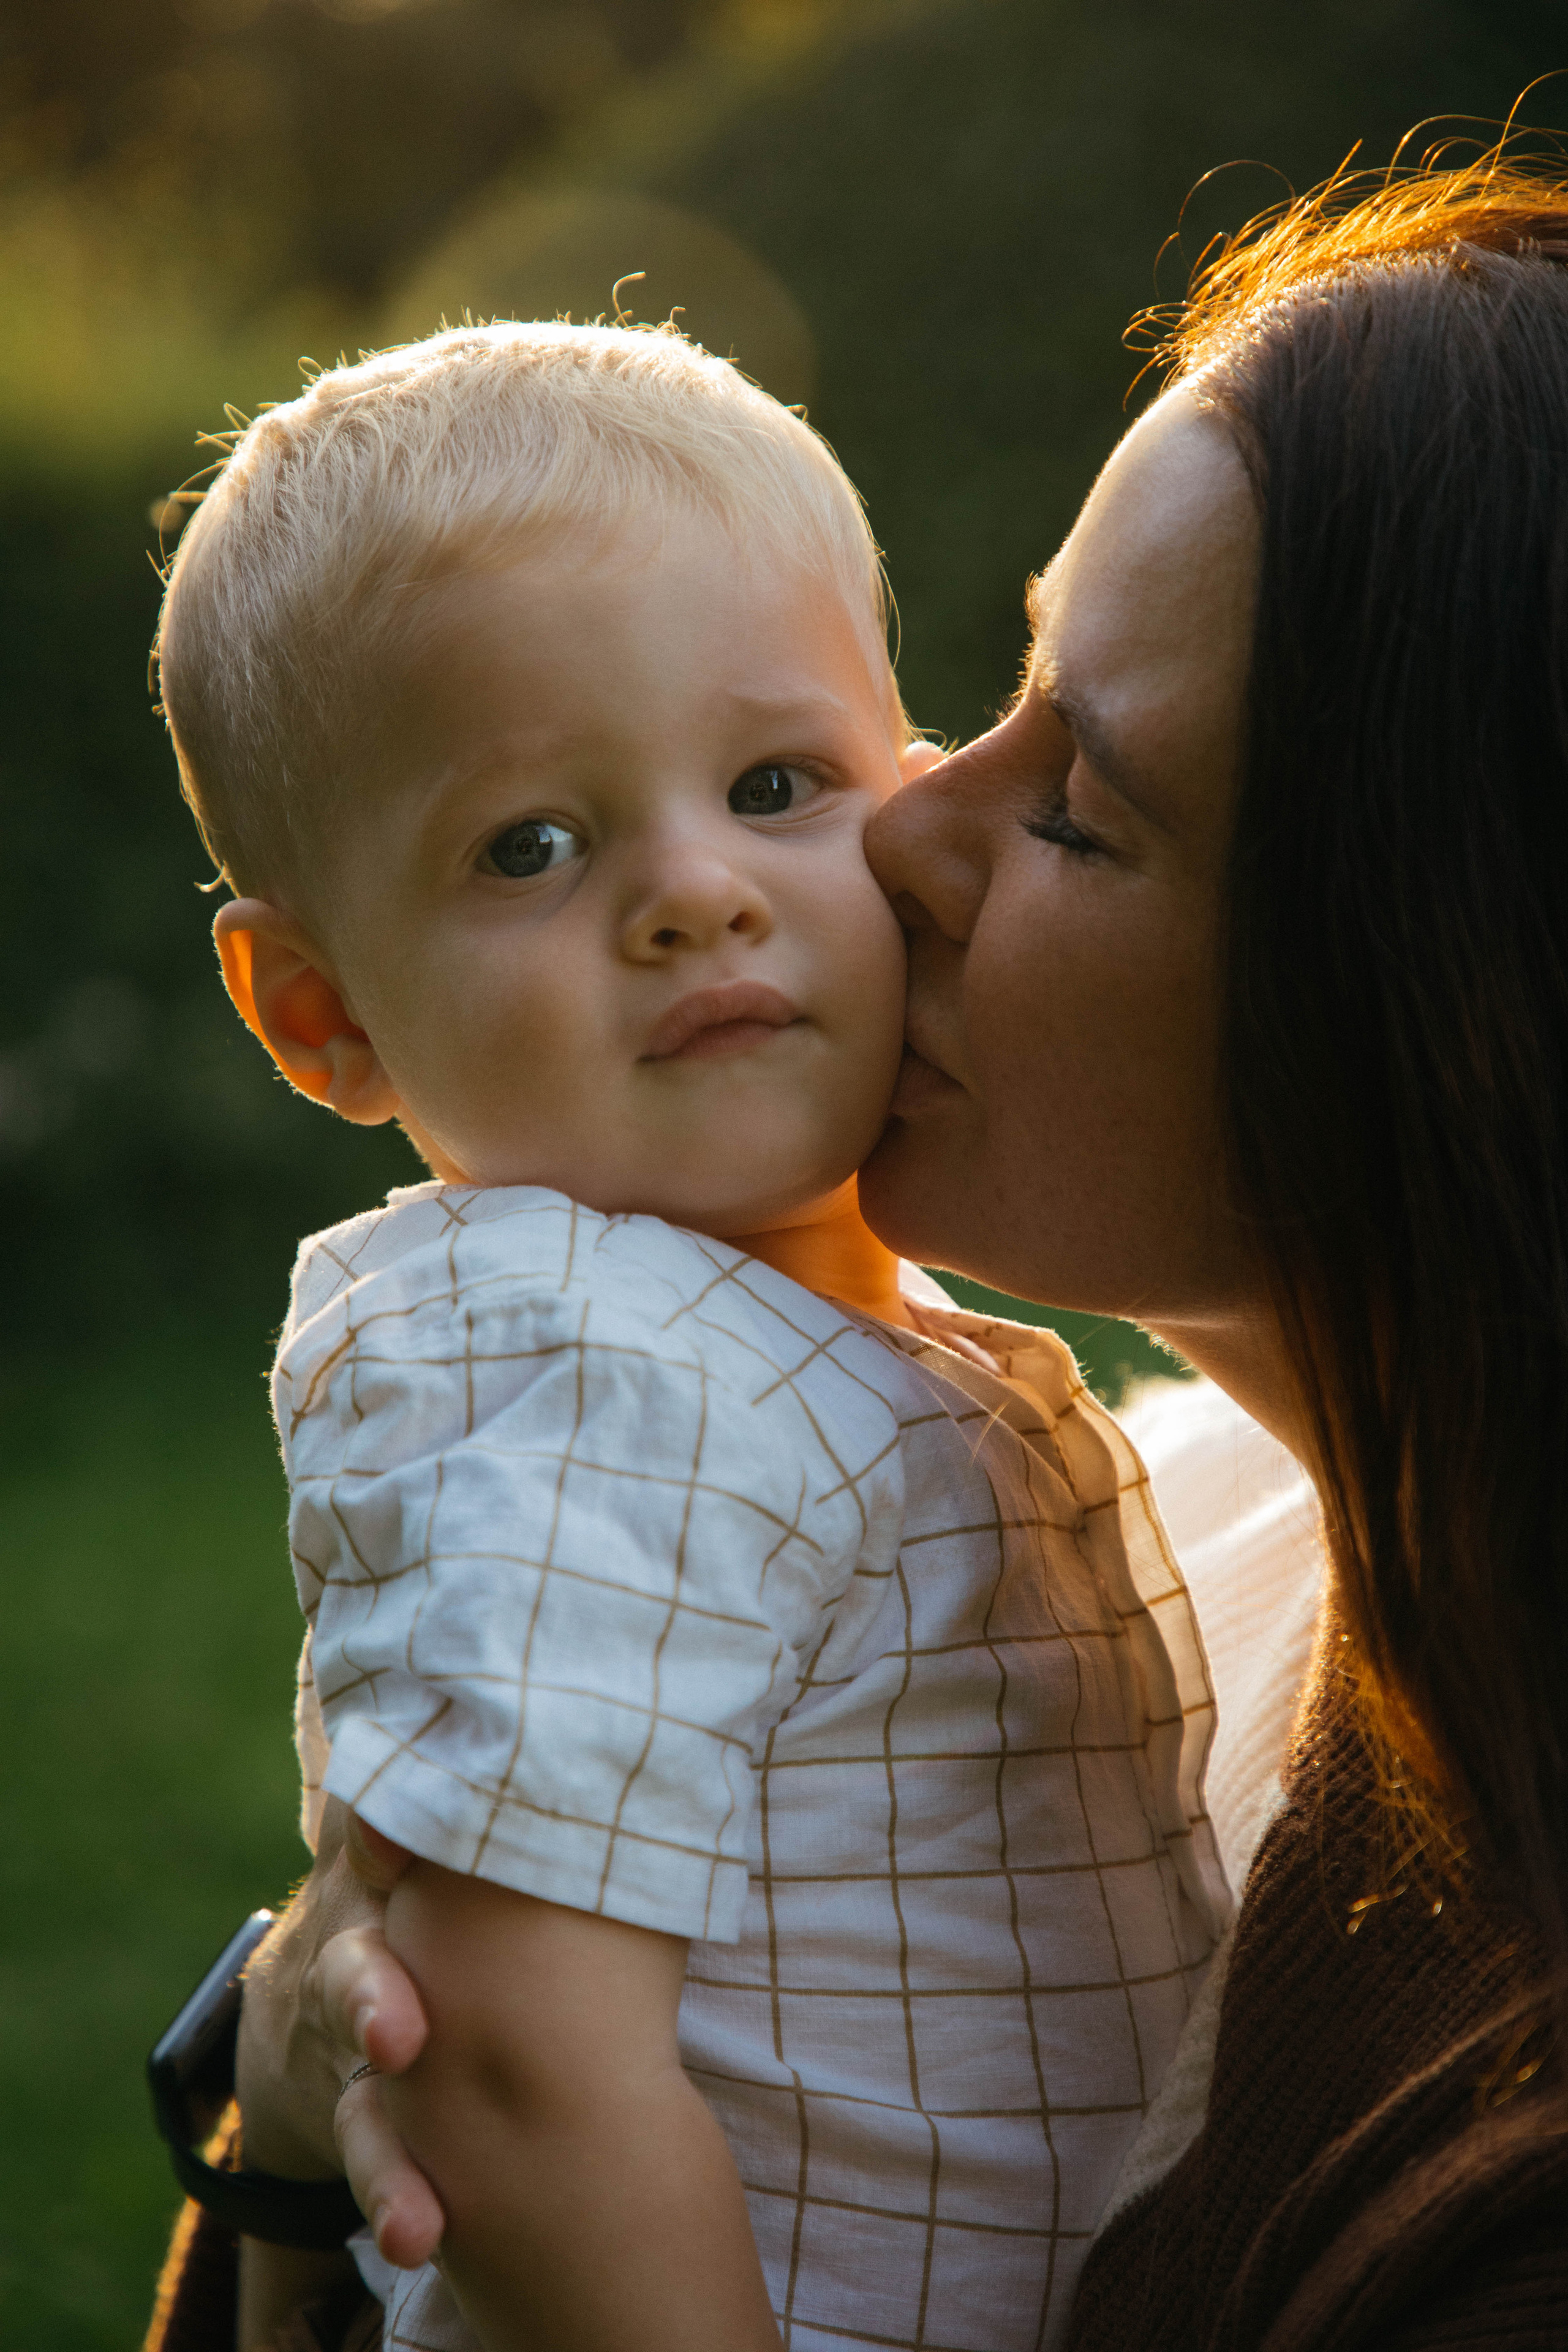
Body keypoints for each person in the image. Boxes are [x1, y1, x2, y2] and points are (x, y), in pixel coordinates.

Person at [215, 149, 1568, 2346]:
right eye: (1002, 680)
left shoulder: (1504, 2189)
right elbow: (490, 2081)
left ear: (1426, 991)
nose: (908, 817)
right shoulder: (1096, 1490)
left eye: (1077, 805)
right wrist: (295, 2092)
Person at [146, 318, 1231, 2352]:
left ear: (897, 792)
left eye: (773, 782)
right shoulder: (586, 1357)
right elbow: (495, 2059)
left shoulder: (821, 1342)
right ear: (322, 1015)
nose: (693, 892)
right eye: (529, 847)